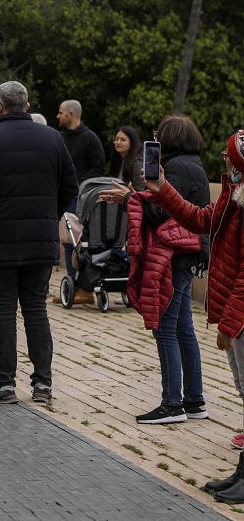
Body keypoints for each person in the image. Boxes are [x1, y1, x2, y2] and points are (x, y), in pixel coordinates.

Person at [122, 130, 244, 502]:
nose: (224, 163)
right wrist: (161, 189)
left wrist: (230, 322)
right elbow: (200, 218)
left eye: (229, 159)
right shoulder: (234, 194)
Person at [0, 82, 78, 405]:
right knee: (36, 310)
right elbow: (69, 187)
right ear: (28, 103)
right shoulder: (53, 139)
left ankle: (5, 383)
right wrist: (49, 215)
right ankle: (43, 384)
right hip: (39, 239)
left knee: (3, 311)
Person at [99, 114, 209, 425]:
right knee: (183, 328)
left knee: (165, 327)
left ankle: (173, 403)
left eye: (158, 134)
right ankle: (195, 400)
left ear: (170, 137)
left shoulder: (174, 168)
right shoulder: (194, 164)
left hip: (172, 256)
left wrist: (129, 198)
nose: (155, 139)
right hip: (189, 255)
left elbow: (160, 214)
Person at [57, 99, 106, 277]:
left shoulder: (90, 138)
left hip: (82, 197)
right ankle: (72, 283)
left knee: (81, 239)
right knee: (67, 239)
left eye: (61, 112)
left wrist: (79, 184)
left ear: (71, 114)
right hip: (62, 195)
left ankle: (84, 285)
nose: (58, 116)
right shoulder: (59, 138)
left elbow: (98, 167)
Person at [109, 125, 145, 191]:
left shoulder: (137, 163)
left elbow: (140, 191)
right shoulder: (118, 159)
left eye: (123, 140)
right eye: (116, 139)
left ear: (131, 143)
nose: (118, 142)